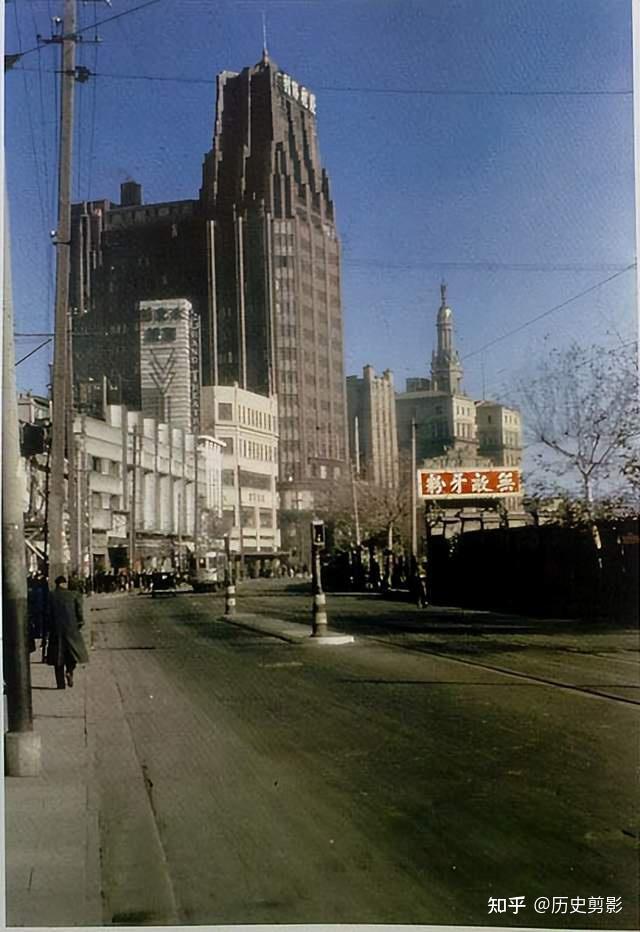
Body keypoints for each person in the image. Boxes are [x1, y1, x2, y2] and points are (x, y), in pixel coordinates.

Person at [45, 576, 89, 689]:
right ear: (64, 584)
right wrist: (79, 623)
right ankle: (69, 671)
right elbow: (79, 613)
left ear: (56, 584)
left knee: (57, 658)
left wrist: (48, 629)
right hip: (71, 629)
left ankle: (60, 684)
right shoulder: (73, 595)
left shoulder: (51, 596)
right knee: (72, 654)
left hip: (56, 630)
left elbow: (47, 614)